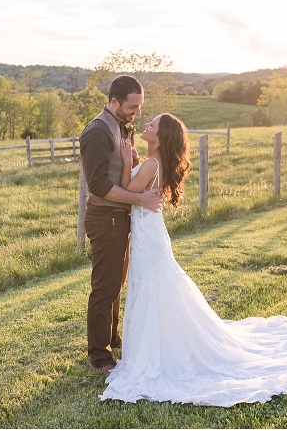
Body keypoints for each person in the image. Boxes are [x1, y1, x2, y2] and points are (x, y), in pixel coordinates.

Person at [99, 113, 287, 407]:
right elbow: (137, 189)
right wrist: (134, 161)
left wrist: (127, 161)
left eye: (152, 124)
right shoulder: (153, 163)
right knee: (155, 287)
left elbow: (127, 193)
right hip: (150, 236)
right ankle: (158, 345)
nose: (147, 125)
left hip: (148, 239)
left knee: (153, 287)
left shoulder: (151, 163)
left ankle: (159, 350)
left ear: (161, 137)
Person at [79, 75, 164, 375]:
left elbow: (120, 170)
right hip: (104, 218)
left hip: (119, 218)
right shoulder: (98, 132)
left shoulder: (120, 127)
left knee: (116, 283)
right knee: (104, 288)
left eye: (140, 107)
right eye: (133, 106)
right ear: (114, 101)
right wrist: (139, 199)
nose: (137, 113)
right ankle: (99, 358)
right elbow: (99, 185)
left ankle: (112, 338)